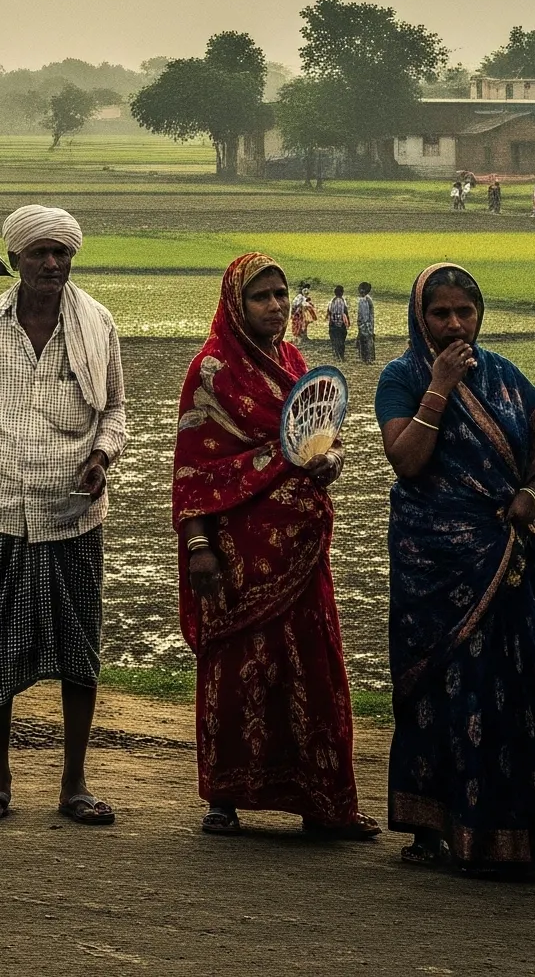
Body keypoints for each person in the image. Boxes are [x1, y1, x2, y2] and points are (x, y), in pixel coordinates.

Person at [376, 263, 535, 871]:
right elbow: (407, 461)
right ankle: (430, 825)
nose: (454, 324)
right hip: (432, 563)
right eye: (440, 313)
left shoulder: (504, 375)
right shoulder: (401, 377)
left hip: (502, 562)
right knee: (435, 688)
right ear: (422, 317)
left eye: (464, 312)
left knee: (511, 689)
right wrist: (439, 385)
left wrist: (528, 493)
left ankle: (519, 833)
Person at [174, 253, 375, 840]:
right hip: (236, 555)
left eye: (281, 295)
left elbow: (320, 439)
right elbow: (193, 469)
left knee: (313, 668)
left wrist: (328, 462)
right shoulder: (211, 372)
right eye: (262, 296)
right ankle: (225, 796)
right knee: (236, 672)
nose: (276, 306)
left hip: (301, 550)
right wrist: (198, 548)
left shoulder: (294, 362)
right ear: (237, 303)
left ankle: (322, 800)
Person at [0, 205, 126, 827]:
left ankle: (73, 783)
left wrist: (101, 457)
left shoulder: (97, 324)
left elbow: (116, 414)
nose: (51, 264)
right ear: (14, 260)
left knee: (80, 645)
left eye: (61, 253)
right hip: (1, 511)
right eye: (38, 254)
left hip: (74, 514)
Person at [326, 285, 350, 361]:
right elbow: (346, 311)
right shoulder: (343, 301)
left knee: (335, 340)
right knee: (341, 340)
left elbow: (329, 312)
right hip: (341, 323)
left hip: (333, 323)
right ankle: (341, 355)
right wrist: (348, 322)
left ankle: (336, 355)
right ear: (342, 293)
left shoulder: (331, 301)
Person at [355, 283, 376, 363]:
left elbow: (365, 314)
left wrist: (363, 323)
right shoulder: (365, 299)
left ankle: (367, 358)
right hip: (366, 323)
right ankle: (366, 358)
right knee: (365, 341)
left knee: (367, 341)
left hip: (366, 324)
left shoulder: (365, 300)